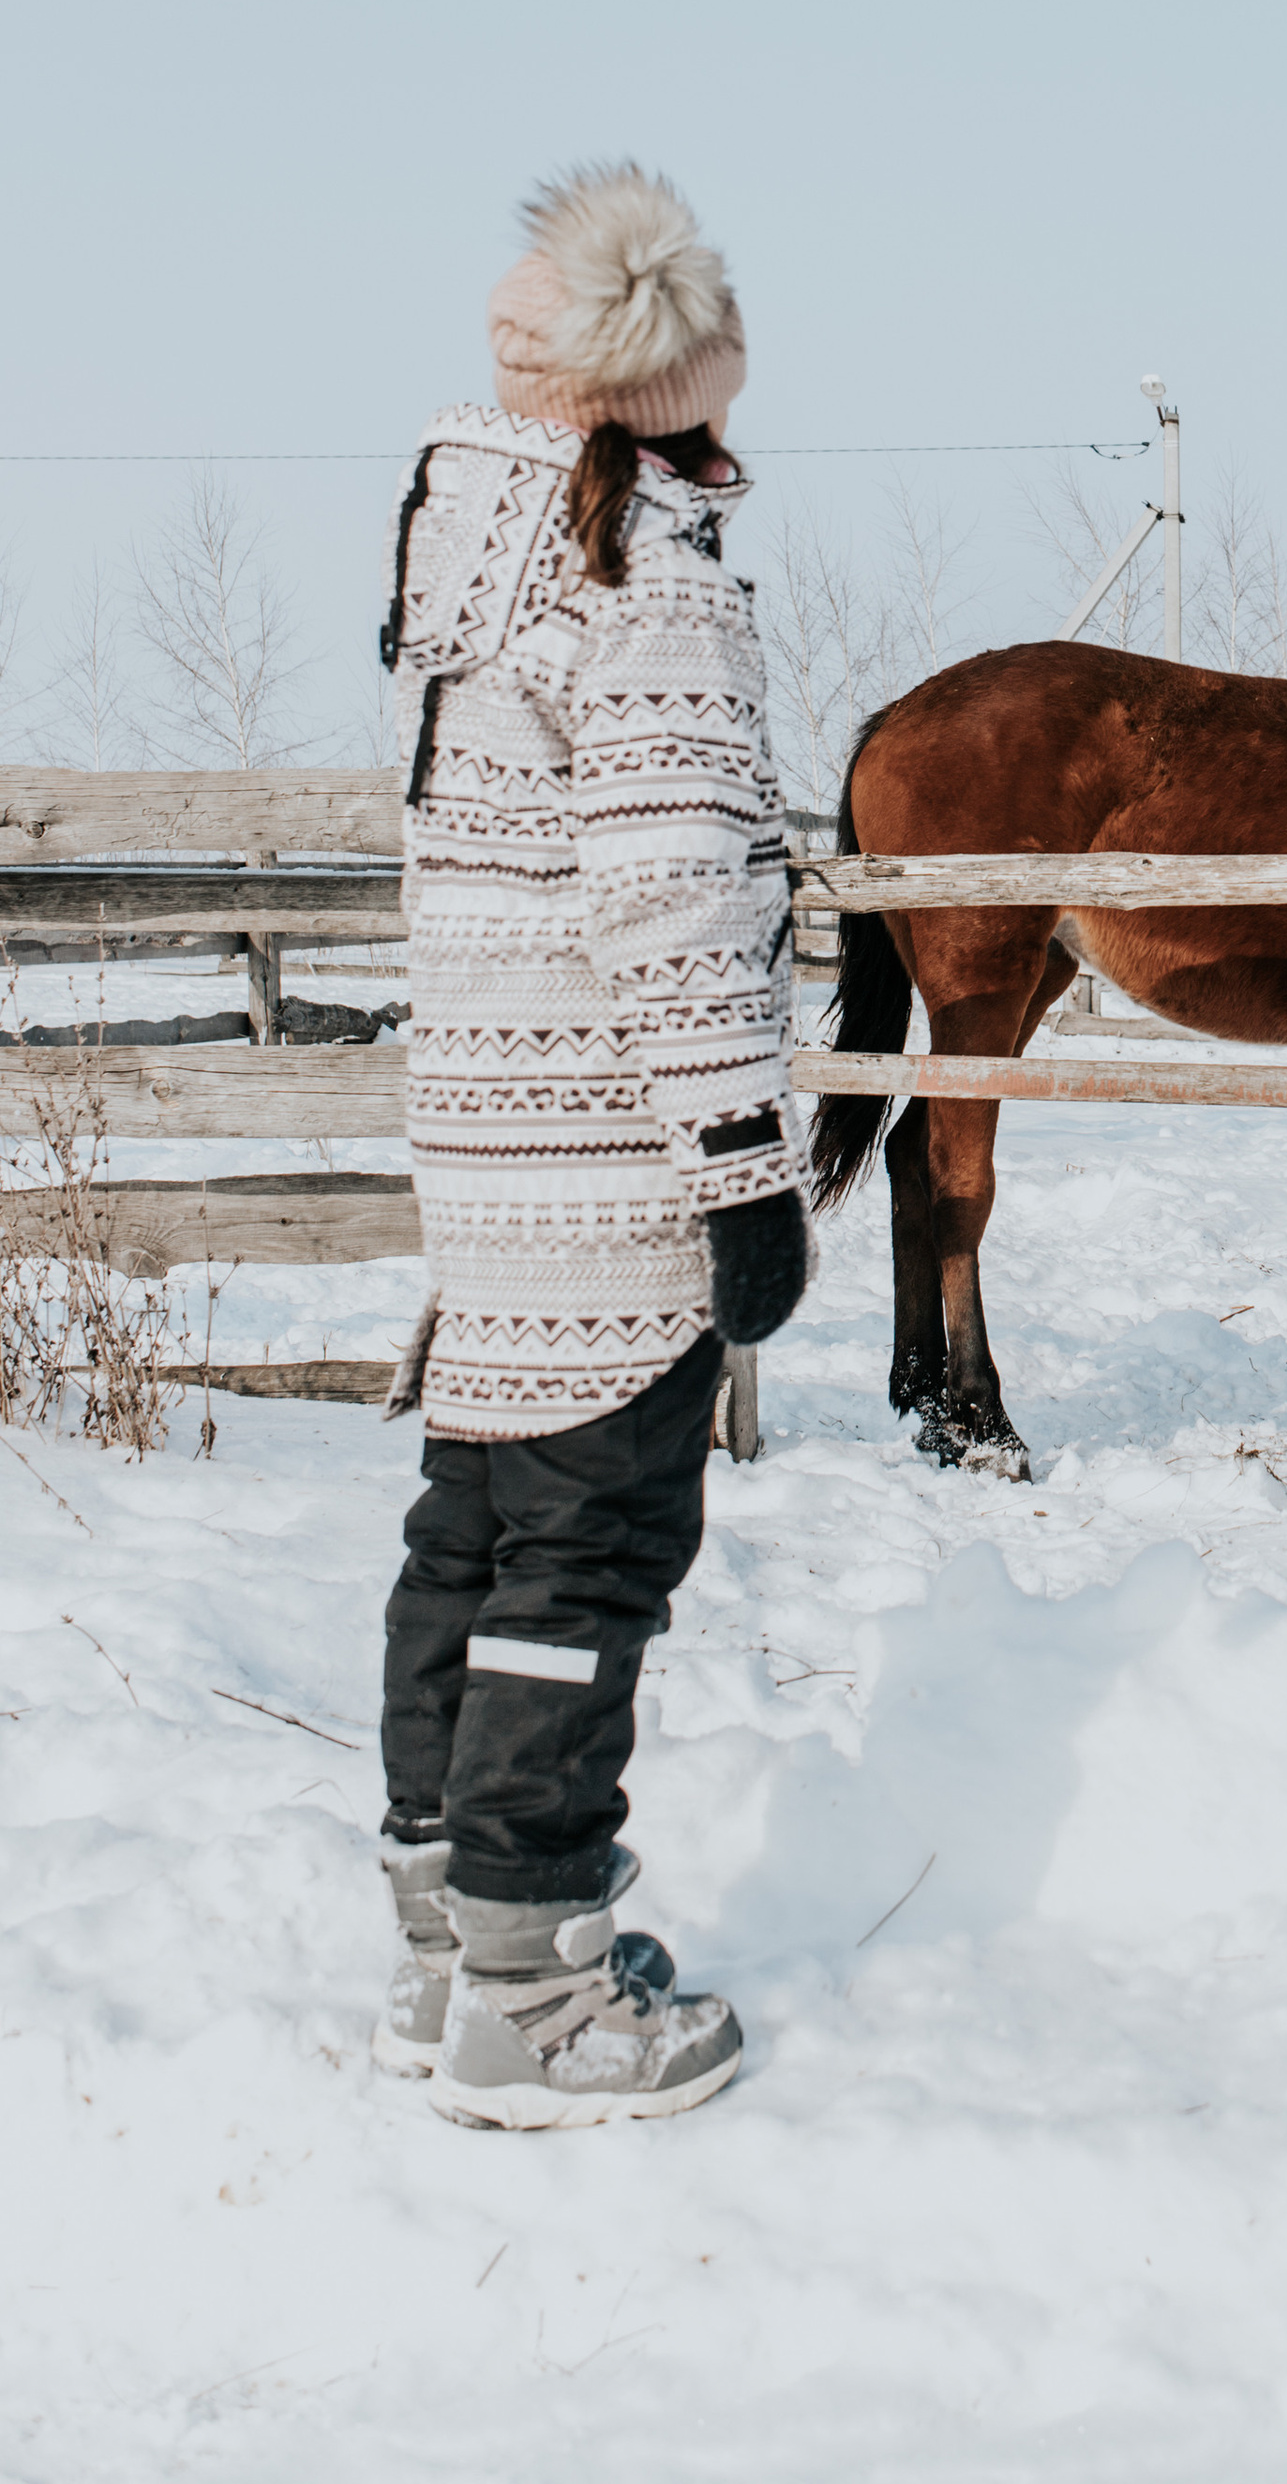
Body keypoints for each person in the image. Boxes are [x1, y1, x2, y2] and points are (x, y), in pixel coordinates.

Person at [371, 165, 810, 2129]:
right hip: (612, 1163)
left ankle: (447, 1948)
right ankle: (534, 1998)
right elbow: (675, 898)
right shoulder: (648, 590)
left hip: (487, 1153)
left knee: (471, 1541)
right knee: (586, 1562)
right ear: (674, 401)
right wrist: (743, 1167)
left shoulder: (477, 566)